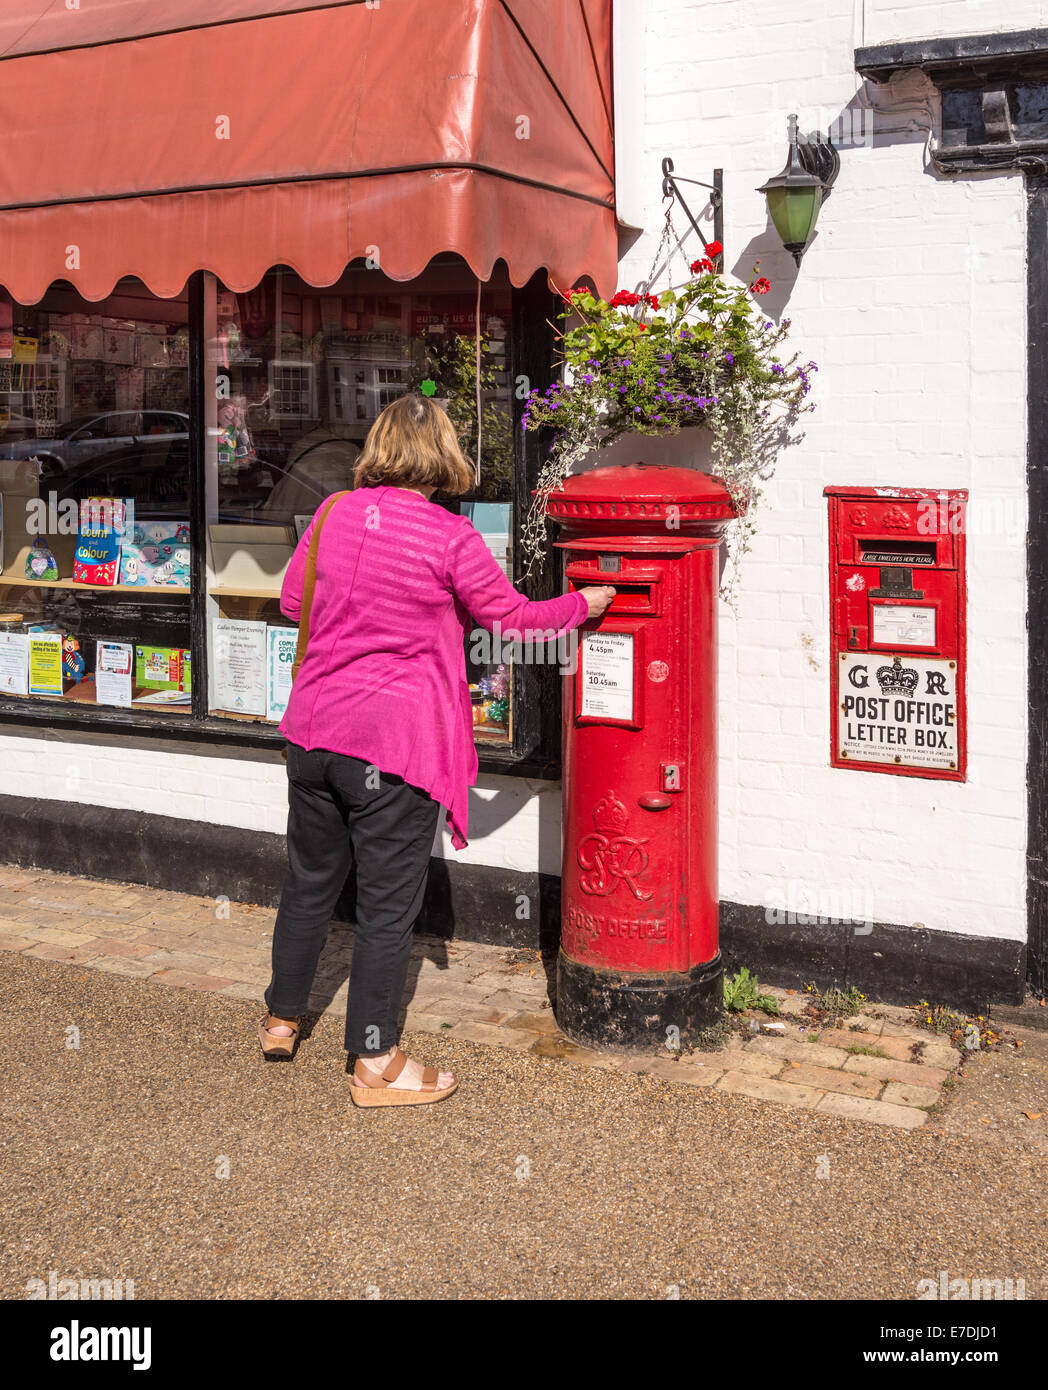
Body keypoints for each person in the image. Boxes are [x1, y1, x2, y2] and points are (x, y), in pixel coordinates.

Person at [258, 393, 615, 1107]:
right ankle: (374, 1064)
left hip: (313, 734)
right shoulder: (448, 537)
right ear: (441, 454)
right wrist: (585, 605)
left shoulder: (330, 515)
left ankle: (281, 1018)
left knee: (308, 883)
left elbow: (293, 605)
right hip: (391, 749)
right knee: (388, 911)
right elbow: (513, 622)